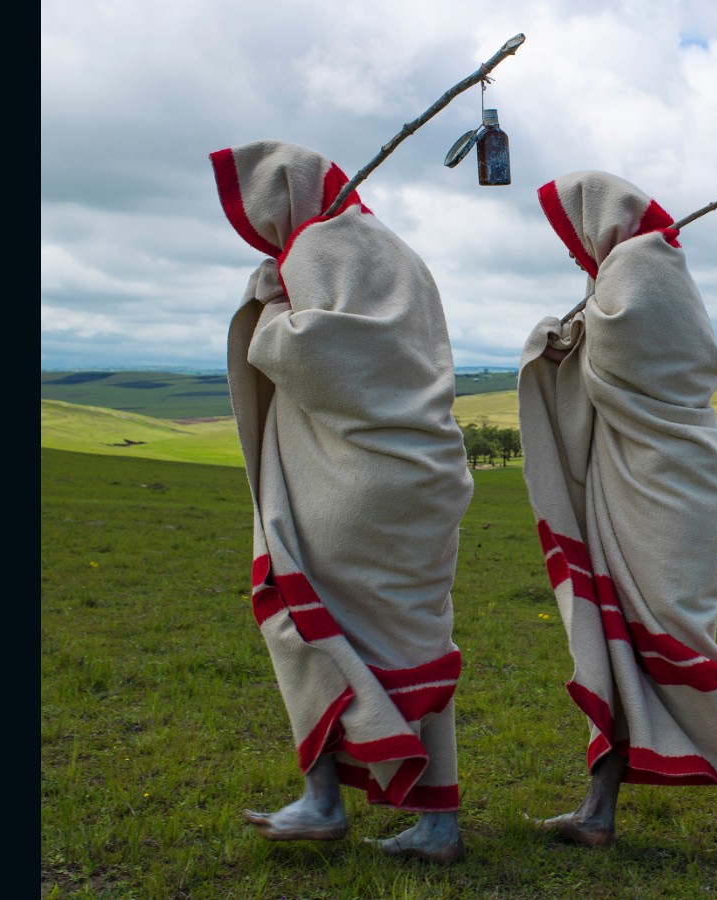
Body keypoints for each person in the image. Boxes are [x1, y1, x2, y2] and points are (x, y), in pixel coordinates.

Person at [515, 170, 717, 863]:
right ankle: (598, 810)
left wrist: (565, 338)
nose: (569, 251)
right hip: (636, 478)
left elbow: (624, 361)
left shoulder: (644, 268)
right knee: (616, 634)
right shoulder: (624, 272)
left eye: (570, 233)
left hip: (670, 485)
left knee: (674, 639)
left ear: (595, 220)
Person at [212, 140, 476, 861]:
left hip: (354, 484)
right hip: (429, 475)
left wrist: (267, 309)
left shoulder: (319, 246)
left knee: (305, 618)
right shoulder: (399, 253)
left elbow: (315, 353)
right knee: (417, 638)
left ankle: (324, 800)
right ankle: (438, 822)